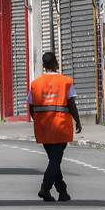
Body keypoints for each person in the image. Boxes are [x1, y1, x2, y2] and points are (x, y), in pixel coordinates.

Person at [28, 52, 83, 202]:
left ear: (44, 66)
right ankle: (45, 188)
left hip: (43, 129)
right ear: (55, 63)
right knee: (55, 160)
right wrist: (77, 120)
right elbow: (71, 104)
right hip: (60, 126)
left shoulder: (35, 83)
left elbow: (31, 106)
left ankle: (62, 191)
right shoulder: (65, 82)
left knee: (54, 160)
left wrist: (38, 120)